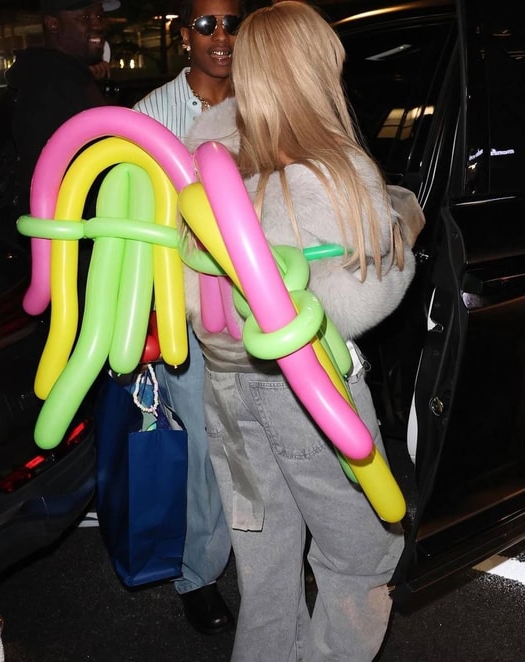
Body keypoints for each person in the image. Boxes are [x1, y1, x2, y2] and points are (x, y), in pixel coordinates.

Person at [180, 2, 419, 659]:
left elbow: (200, 298)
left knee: (265, 566)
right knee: (363, 556)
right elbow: (353, 306)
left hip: (226, 390)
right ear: (316, 71)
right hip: (306, 389)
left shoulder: (205, 164)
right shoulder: (332, 175)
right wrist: (400, 243)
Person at [131, 0, 243, 636]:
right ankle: (199, 574)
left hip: (259, 301)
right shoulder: (153, 114)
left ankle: (266, 559)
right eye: (206, 24)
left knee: (262, 438)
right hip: (185, 306)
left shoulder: (262, 99)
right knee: (204, 445)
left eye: (232, 23)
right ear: (183, 35)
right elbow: (132, 220)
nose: (221, 36)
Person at [0, 0, 119, 249]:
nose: (98, 25)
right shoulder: (54, 87)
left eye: (99, 15)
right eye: (85, 17)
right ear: (53, 24)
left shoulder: (50, 76)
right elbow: (53, 184)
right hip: (67, 247)